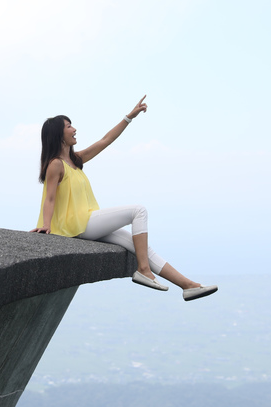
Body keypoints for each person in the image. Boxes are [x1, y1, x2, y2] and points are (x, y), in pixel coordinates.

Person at [31, 96, 217, 301]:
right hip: (77, 225)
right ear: (58, 134)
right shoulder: (56, 164)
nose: (74, 129)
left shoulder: (76, 160)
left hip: (86, 222)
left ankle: (188, 286)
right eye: (69, 126)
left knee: (140, 246)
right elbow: (49, 198)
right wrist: (46, 226)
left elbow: (106, 140)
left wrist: (129, 117)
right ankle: (144, 271)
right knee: (138, 210)